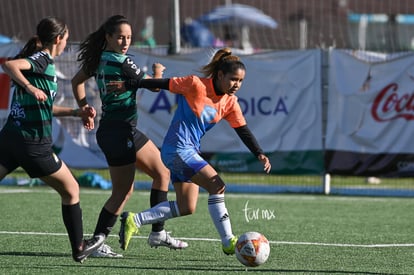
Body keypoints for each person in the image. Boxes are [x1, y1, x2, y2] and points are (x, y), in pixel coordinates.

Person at [117, 47, 272, 255]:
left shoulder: (230, 103)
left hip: (187, 152)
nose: (237, 85)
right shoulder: (195, 84)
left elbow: (242, 131)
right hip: (177, 150)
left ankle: (134, 220)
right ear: (219, 75)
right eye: (233, 79)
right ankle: (228, 240)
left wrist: (259, 153)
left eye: (241, 81)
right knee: (217, 185)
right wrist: (129, 83)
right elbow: (160, 83)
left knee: (186, 206)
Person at [71, 15, 188, 258]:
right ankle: (97, 241)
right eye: (121, 37)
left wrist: (84, 107)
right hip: (118, 131)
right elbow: (154, 85)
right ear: (109, 38)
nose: (125, 42)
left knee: (162, 173)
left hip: (122, 130)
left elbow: (76, 81)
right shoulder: (123, 62)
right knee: (123, 192)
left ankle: (158, 232)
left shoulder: (99, 59)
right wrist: (158, 70)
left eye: (129, 38)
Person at [0, 16, 104, 263]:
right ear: (58, 39)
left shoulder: (45, 64)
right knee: (72, 190)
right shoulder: (42, 58)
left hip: (11, 139)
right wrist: (29, 87)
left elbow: (46, 106)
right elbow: (10, 66)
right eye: (66, 39)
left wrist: (76, 112)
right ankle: (79, 247)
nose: (66, 44)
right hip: (32, 144)